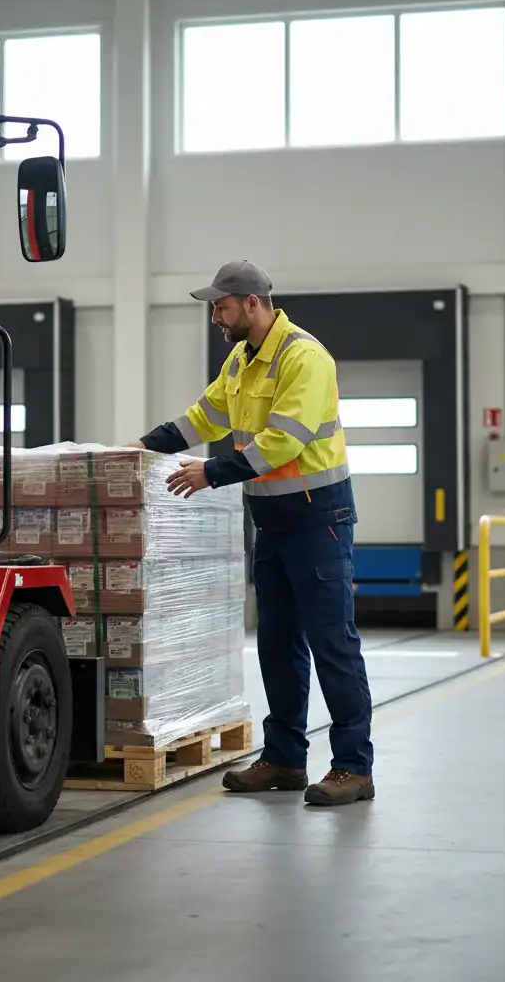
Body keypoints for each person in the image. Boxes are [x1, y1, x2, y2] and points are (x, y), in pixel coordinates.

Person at [126, 259, 374, 806]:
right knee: (278, 645)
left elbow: (285, 439)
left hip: (318, 520)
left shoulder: (303, 357)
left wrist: (212, 472)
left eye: (222, 305)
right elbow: (204, 417)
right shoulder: (241, 360)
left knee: (333, 644)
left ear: (252, 303)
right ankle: (284, 758)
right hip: (272, 521)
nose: (216, 315)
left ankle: (353, 767)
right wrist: (140, 448)